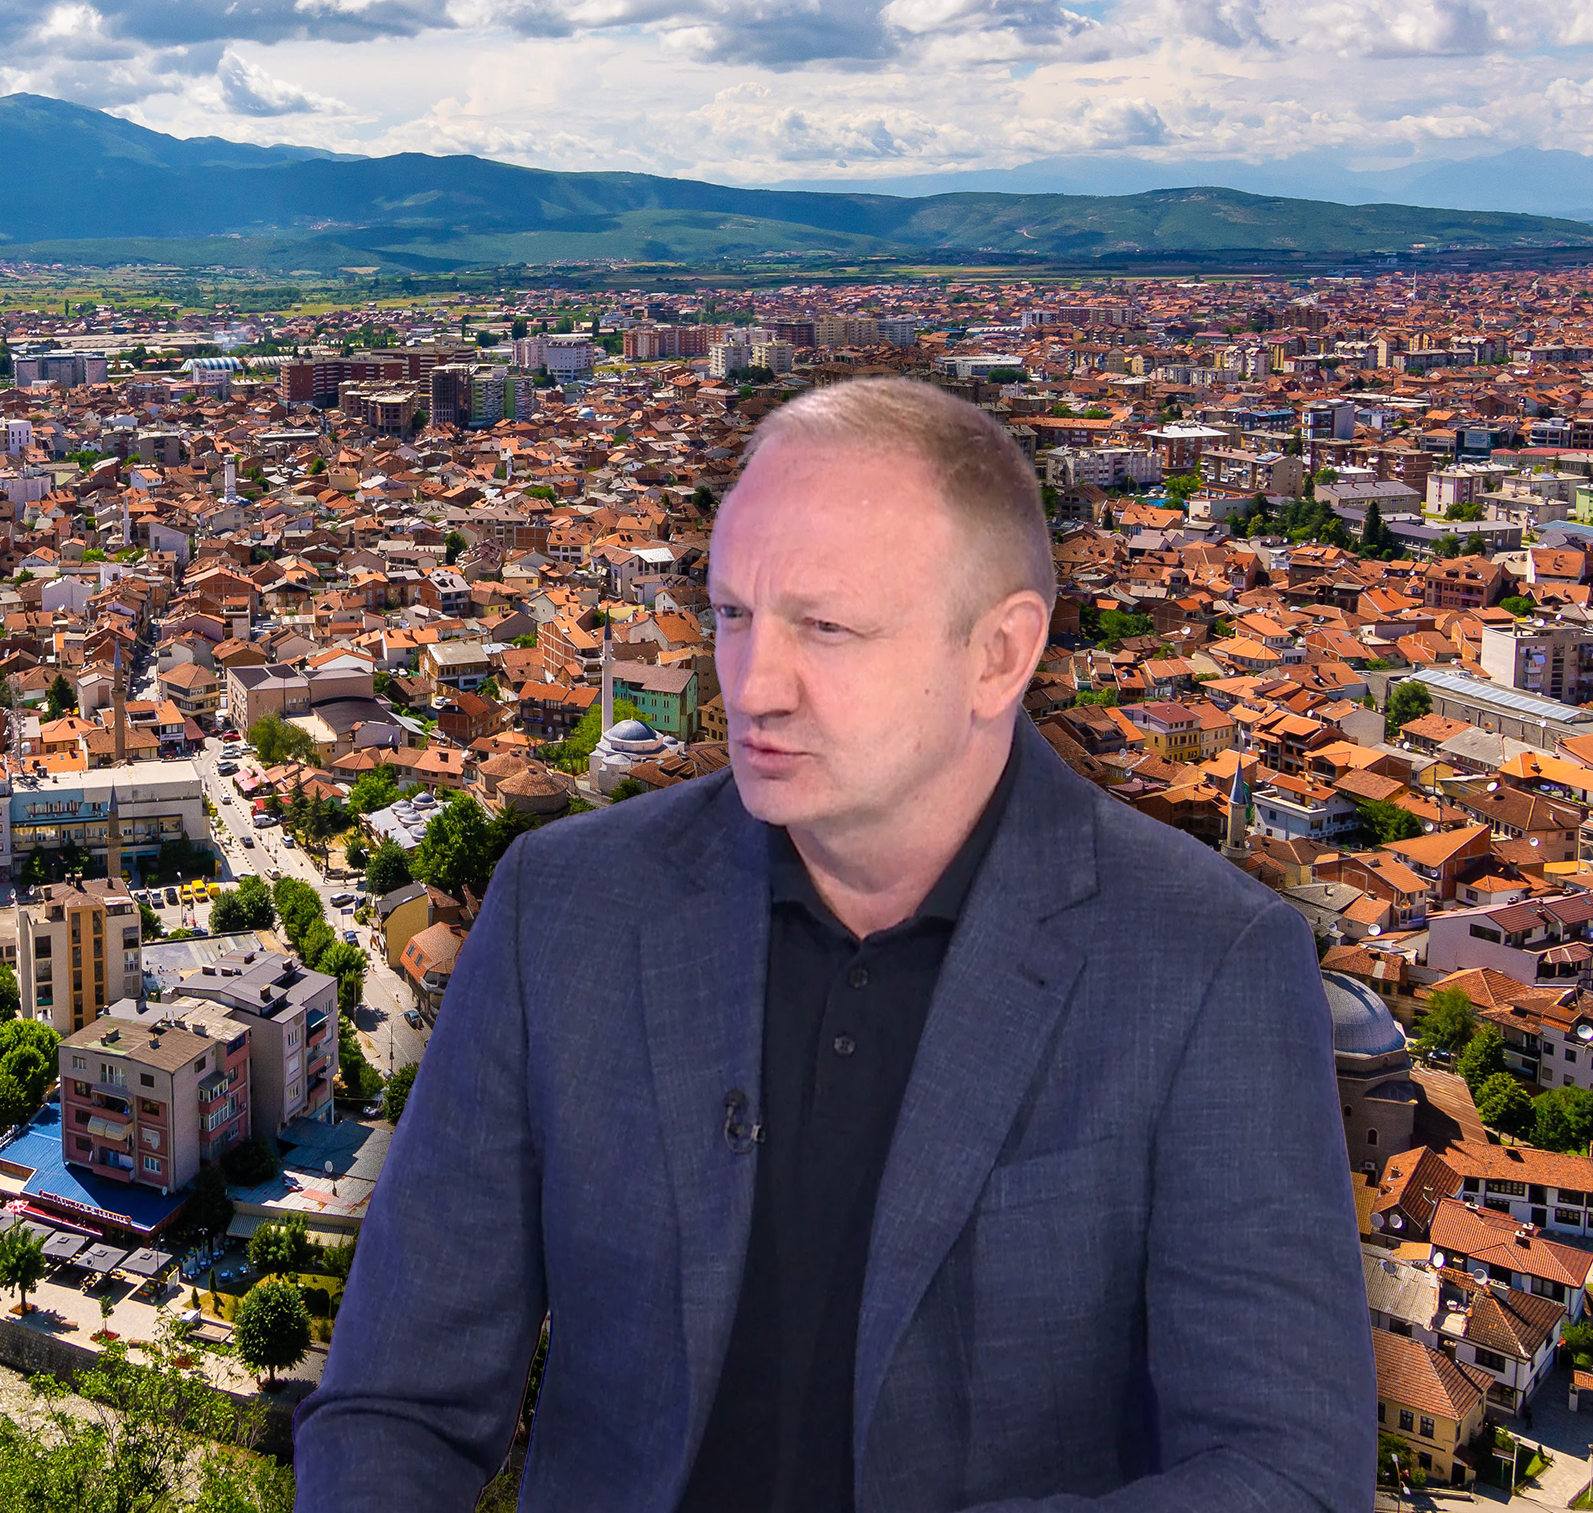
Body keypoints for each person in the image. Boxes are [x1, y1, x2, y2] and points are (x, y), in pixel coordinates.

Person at [296, 378, 1371, 1512]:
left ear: (999, 655)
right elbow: (391, 1405)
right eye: (732, 614)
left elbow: (1285, 1472)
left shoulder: (1207, 964)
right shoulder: (564, 909)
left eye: (826, 627)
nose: (753, 686)